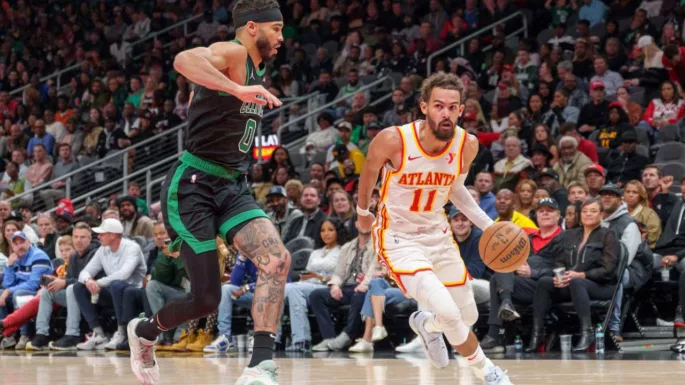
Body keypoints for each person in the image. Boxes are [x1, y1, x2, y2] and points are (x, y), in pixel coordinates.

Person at [127, 2, 290, 384]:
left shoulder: (259, 67)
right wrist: (236, 88)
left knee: (276, 260)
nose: (282, 37)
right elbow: (184, 59)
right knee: (206, 299)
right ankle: (144, 333)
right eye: (277, 29)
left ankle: (261, 365)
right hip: (193, 186)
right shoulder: (234, 54)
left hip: (233, 184)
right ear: (252, 27)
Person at [356, 72, 512, 384]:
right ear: (424, 107)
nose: (446, 113)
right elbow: (368, 171)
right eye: (439, 106)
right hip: (398, 238)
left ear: (461, 109)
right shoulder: (393, 139)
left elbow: (455, 189)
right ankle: (489, 373)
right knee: (451, 314)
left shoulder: (466, 145)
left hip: (438, 235)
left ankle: (426, 326)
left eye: (453, 107)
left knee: (467, 315)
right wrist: (362, 212)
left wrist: (489, 225)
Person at [528, 198, 619, 352]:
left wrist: (583, 274)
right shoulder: (570, 235)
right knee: (544, 281)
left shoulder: (608, 235)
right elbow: (559, 261)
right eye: (584, 211)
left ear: (601, 214)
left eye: (593, 211)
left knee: (577, 282)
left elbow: (608, 270)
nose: (588, 214)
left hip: (601, 285)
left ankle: (587, 332)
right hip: (572, 284)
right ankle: (538, 334)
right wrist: (560, 276)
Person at [482, 197, 563, 352]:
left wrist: (533, 272)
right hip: (523, 285)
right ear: (536, 215)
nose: (545, 214)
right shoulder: (527, 239)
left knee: (497, 280)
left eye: (549, 211)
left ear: (558, 215)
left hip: (548, 287)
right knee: (499, 271)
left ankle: (495, 334)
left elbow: (563, 269)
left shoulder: (564, 238)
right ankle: (505, 305)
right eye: (541, 211)